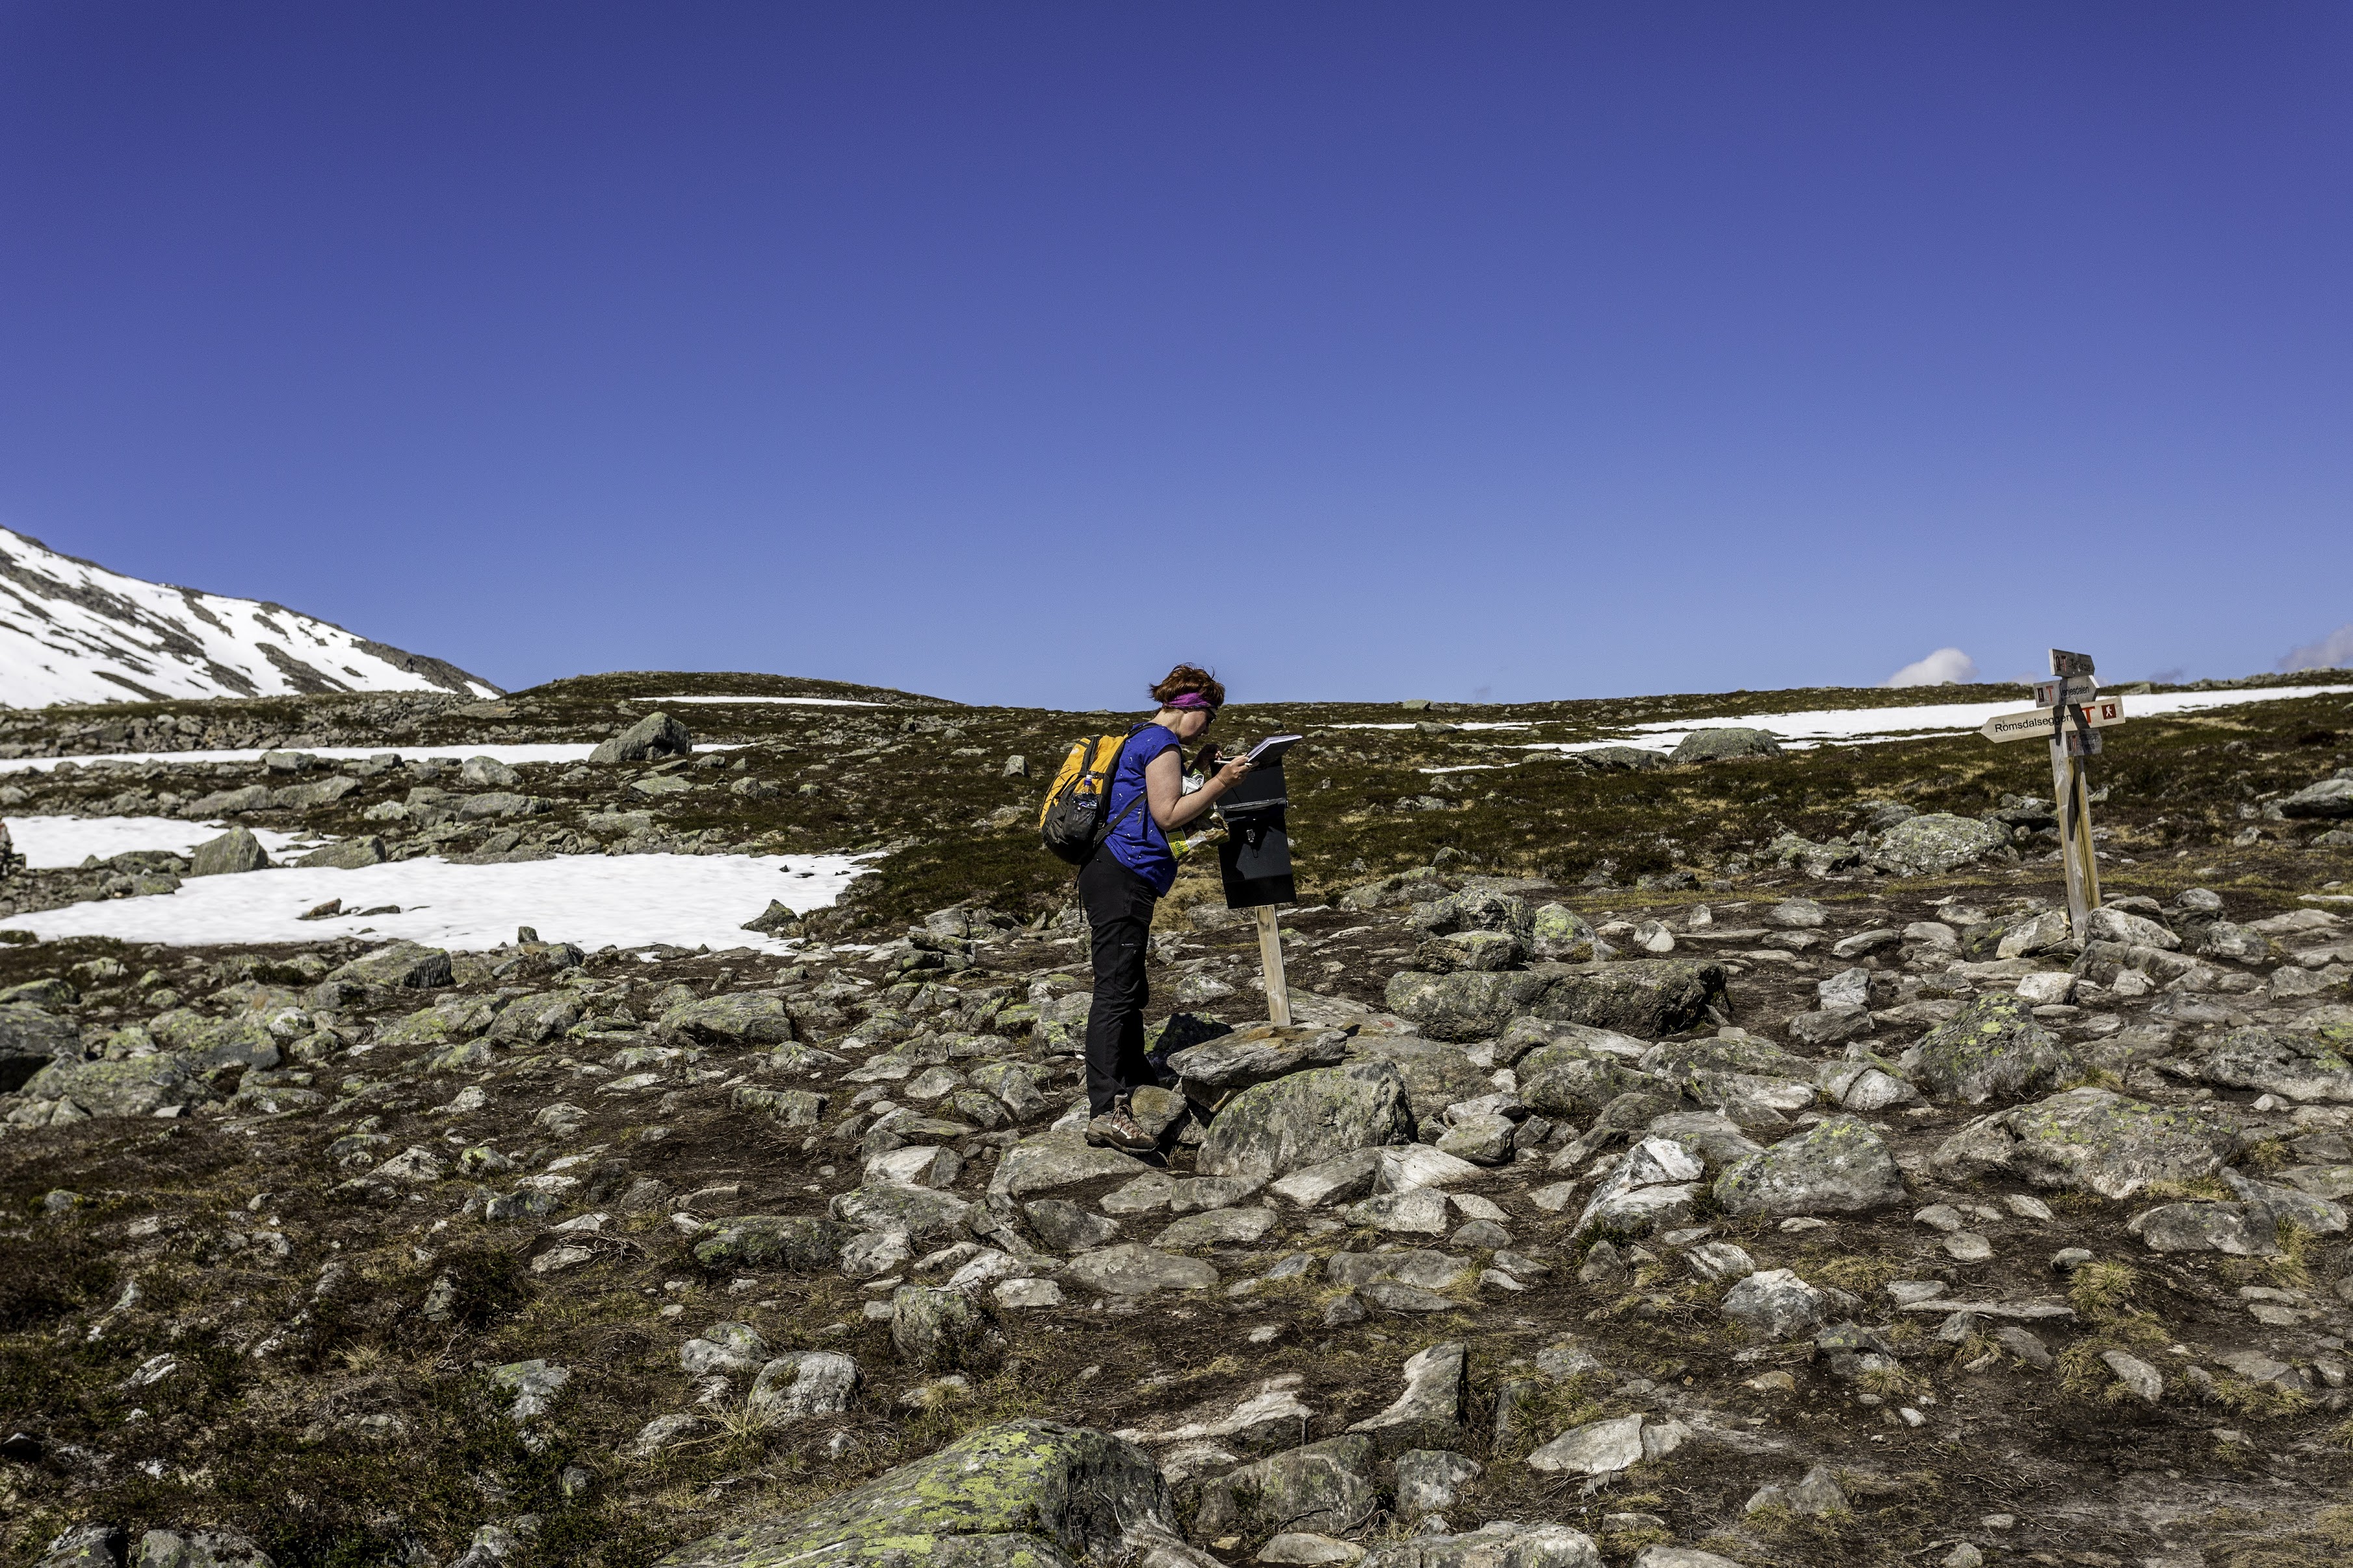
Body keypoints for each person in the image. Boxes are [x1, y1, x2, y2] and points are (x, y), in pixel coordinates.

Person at [1080, 664, 1256, 1151]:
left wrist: (1198, 769)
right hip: (1123, 875)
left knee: (1129, 981)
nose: (1211, 724)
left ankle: (1134, 1076)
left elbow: (1154, 798)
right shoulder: (1159, 744)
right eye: (1211, 715)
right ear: (1190, 708)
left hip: (1114, 873)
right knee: (1116, 988)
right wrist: (1220, 782)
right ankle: (1105, 1108)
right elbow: (1168, 813)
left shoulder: (1145, 739)